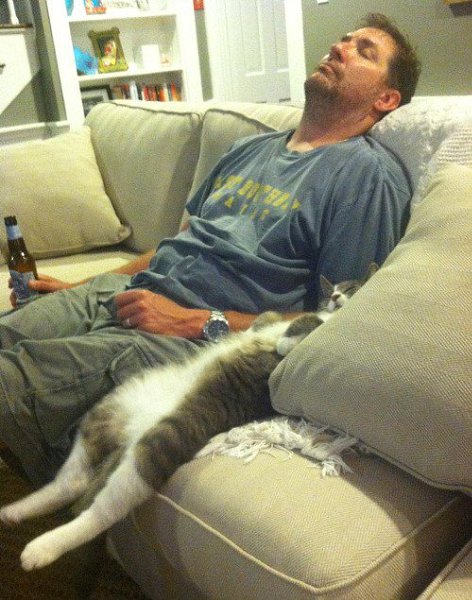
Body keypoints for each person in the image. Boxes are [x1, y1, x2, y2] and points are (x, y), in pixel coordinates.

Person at [0, 13, 420, 485]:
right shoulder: (249, 149)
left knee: (11, 380)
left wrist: (194, 320)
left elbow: (336, 322)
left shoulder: (366, 179)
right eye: (343, 39)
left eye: (364, 52)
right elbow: (178, 244)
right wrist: (79, 286)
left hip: (187, 339)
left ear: (386, 99)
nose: (339, 48)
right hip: (123, 295)